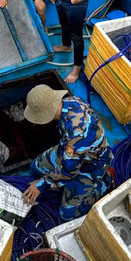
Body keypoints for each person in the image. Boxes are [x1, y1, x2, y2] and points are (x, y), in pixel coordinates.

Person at [21, 85, 113, 221]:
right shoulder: (71, 101)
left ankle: (104, 182)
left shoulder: (77, 134)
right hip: (69, 150)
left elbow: (69, 171)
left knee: (67, 215)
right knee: (35, 167)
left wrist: (41, 185)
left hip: (91, 165)